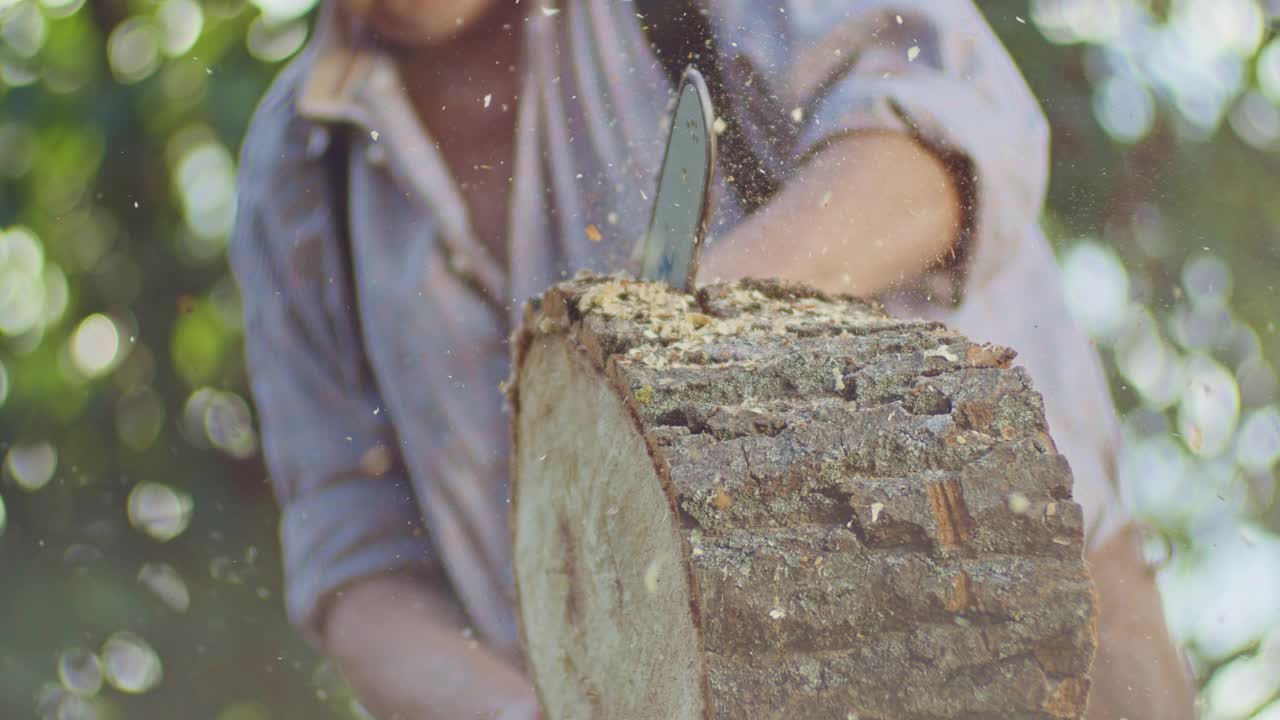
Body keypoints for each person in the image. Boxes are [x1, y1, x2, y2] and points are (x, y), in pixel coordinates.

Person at [229, 1, 1197, 718]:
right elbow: (353, 564)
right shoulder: (294, 171)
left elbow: (933, 142)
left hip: (1012, 627)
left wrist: (673, 341)